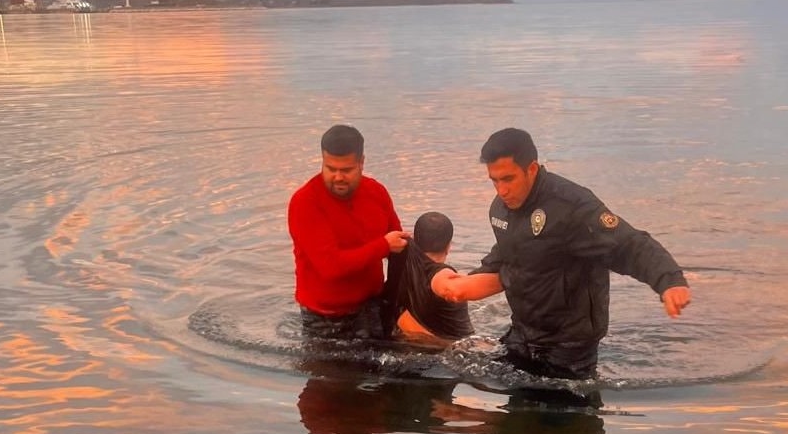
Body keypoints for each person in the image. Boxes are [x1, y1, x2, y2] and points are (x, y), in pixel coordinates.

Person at [455, 127, 691, 381]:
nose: (501, 191)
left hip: (569, 348)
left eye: (508, 179)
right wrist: (459, 284)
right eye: (494, 180)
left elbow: (628, 244)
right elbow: (507, 253)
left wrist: (669, 281)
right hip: (523, 334)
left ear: (531, 169)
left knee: (559, 406)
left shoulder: (572, 207)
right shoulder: (501, 209)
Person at [287, 124, 410, 339]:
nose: (338, 177)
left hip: (372, 306)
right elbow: (330, 267)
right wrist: (383, 246)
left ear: (361, 162)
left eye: (346, 170)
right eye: (330, 168)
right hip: (324, 318)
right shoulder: (305, 202)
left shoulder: (376, 192)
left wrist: (395, 300)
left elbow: (398, 247)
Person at [394, 211, 502, 347]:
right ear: (449, 246)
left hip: (411, 343)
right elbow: (453, 289)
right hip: (454, 351)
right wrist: (511, 278)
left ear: (415, 239)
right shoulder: (439, 274)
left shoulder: (402, 255)